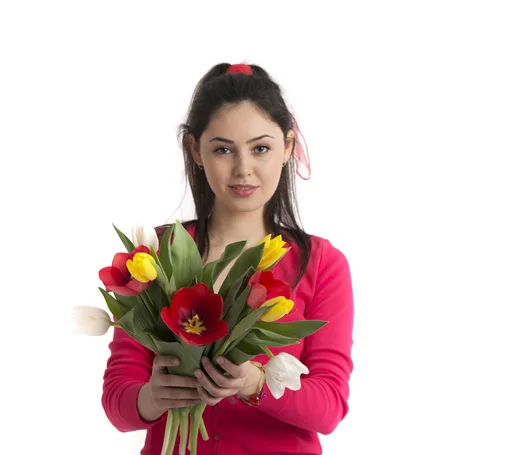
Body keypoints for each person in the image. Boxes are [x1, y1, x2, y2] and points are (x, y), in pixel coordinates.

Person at [101, 62, 355, 455]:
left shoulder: (321, 263)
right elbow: (118, 400)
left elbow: (329, 407)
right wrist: (153, 396)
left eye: (261, 148)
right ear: (195, 151)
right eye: (223, 149)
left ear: (287, 147)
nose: (243, 170)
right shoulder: (154, 255)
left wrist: (255, 383)